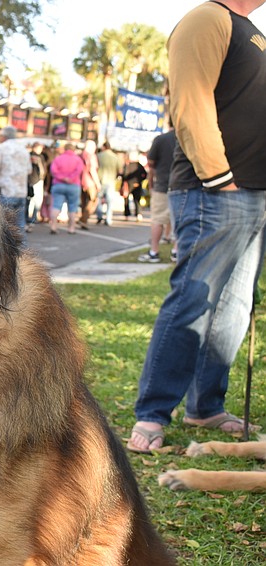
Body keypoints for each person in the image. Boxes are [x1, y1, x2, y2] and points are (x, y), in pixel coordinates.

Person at [128, 0, 266, 453]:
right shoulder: (209, 17)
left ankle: (205, 405)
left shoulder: (250, 30)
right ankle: (152, 412)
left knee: (233, 305)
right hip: (215, 191)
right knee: (193, 300)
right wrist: (219, 177)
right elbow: (190, 99)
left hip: (252, 191)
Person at [139, 128, 178, 263]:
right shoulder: (187, 137)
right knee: (179, 219)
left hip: (162, 184)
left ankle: (154, 251)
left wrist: (151, 184)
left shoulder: (161, 139)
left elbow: (151, 164)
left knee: (158, 219)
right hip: (182, 184)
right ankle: (176, 251)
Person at [0, 126, 32, 238]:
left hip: (6, 191)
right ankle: (23, 254)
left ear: (4, 136)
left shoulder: (0, 148)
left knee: (3, 228)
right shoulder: (23, 149)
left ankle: (5, 255)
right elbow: (29, 170)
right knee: (20, 227)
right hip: (21, 192)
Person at [48, 142, 84, 234]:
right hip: (73, 185)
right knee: (72, 207)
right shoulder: (78, 159)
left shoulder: (58, 159)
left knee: (56, 206)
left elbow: (53, 171)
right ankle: (71, 228)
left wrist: (62, 178)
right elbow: (79, 170)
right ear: (73, 149)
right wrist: (70, 178)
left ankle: (53, 226)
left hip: (58, 184)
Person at [95, 141, 120, 226]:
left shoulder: (99, 156)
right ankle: (108, 219)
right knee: (110, 201)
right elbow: (119, 170)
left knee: (98, 199)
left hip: (100, 180)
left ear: (104, 147)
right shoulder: (115, 157)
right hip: (111, 181)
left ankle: (99, 216)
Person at [78, 140, 101, 230]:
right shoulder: (91, 156)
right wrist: (97, 183)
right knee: (93, 200)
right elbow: (92, 170)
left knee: (84, 202)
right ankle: (83, 219)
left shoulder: (80, 155)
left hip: (80, 181)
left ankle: (83, 220)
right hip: (89, 182)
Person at [25, 142, 47, 232]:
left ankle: (32, 220)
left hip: (36, 181)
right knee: (29, 201)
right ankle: (28, 221)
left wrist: (38, 163)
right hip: (30, 181)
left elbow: (43, 172)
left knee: (36, 202)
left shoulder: (40, 157)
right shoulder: (28, 155)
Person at [120, 152, 147, 221]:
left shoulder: (127, 165)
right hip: (137, 184)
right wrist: (140, 180)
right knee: (137, 200)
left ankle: (127, 215)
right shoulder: (139, 165)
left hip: (128, 185)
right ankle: (138, 214)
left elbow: (124, 175)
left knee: (126, 201)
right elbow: (145, 174)